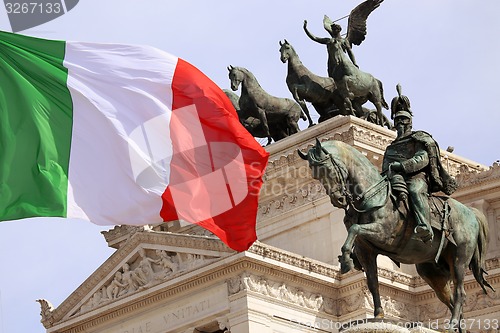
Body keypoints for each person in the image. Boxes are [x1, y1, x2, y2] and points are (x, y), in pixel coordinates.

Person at [382, 89, 457, 242]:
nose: (401, 123)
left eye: (404, 120)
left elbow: (422, 158)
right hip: (395, 179)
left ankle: (424, 225)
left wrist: (402, 166)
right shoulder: (390, 148)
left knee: (415, 191)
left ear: (410, 122)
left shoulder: (419, 138)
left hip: (417, 177)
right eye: (398, 121)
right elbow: (385, 168)